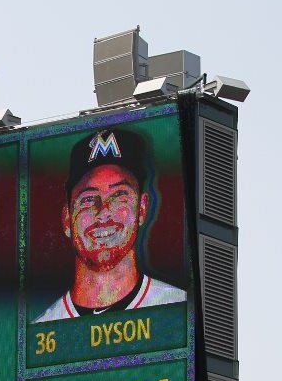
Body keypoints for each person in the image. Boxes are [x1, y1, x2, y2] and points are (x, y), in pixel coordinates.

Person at [34, 127, 185, 322]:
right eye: (88, 199)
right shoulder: (43, 331)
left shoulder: (179, 310)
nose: (104, 211)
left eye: (119, 196)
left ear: (141, 209)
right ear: (66, 218)